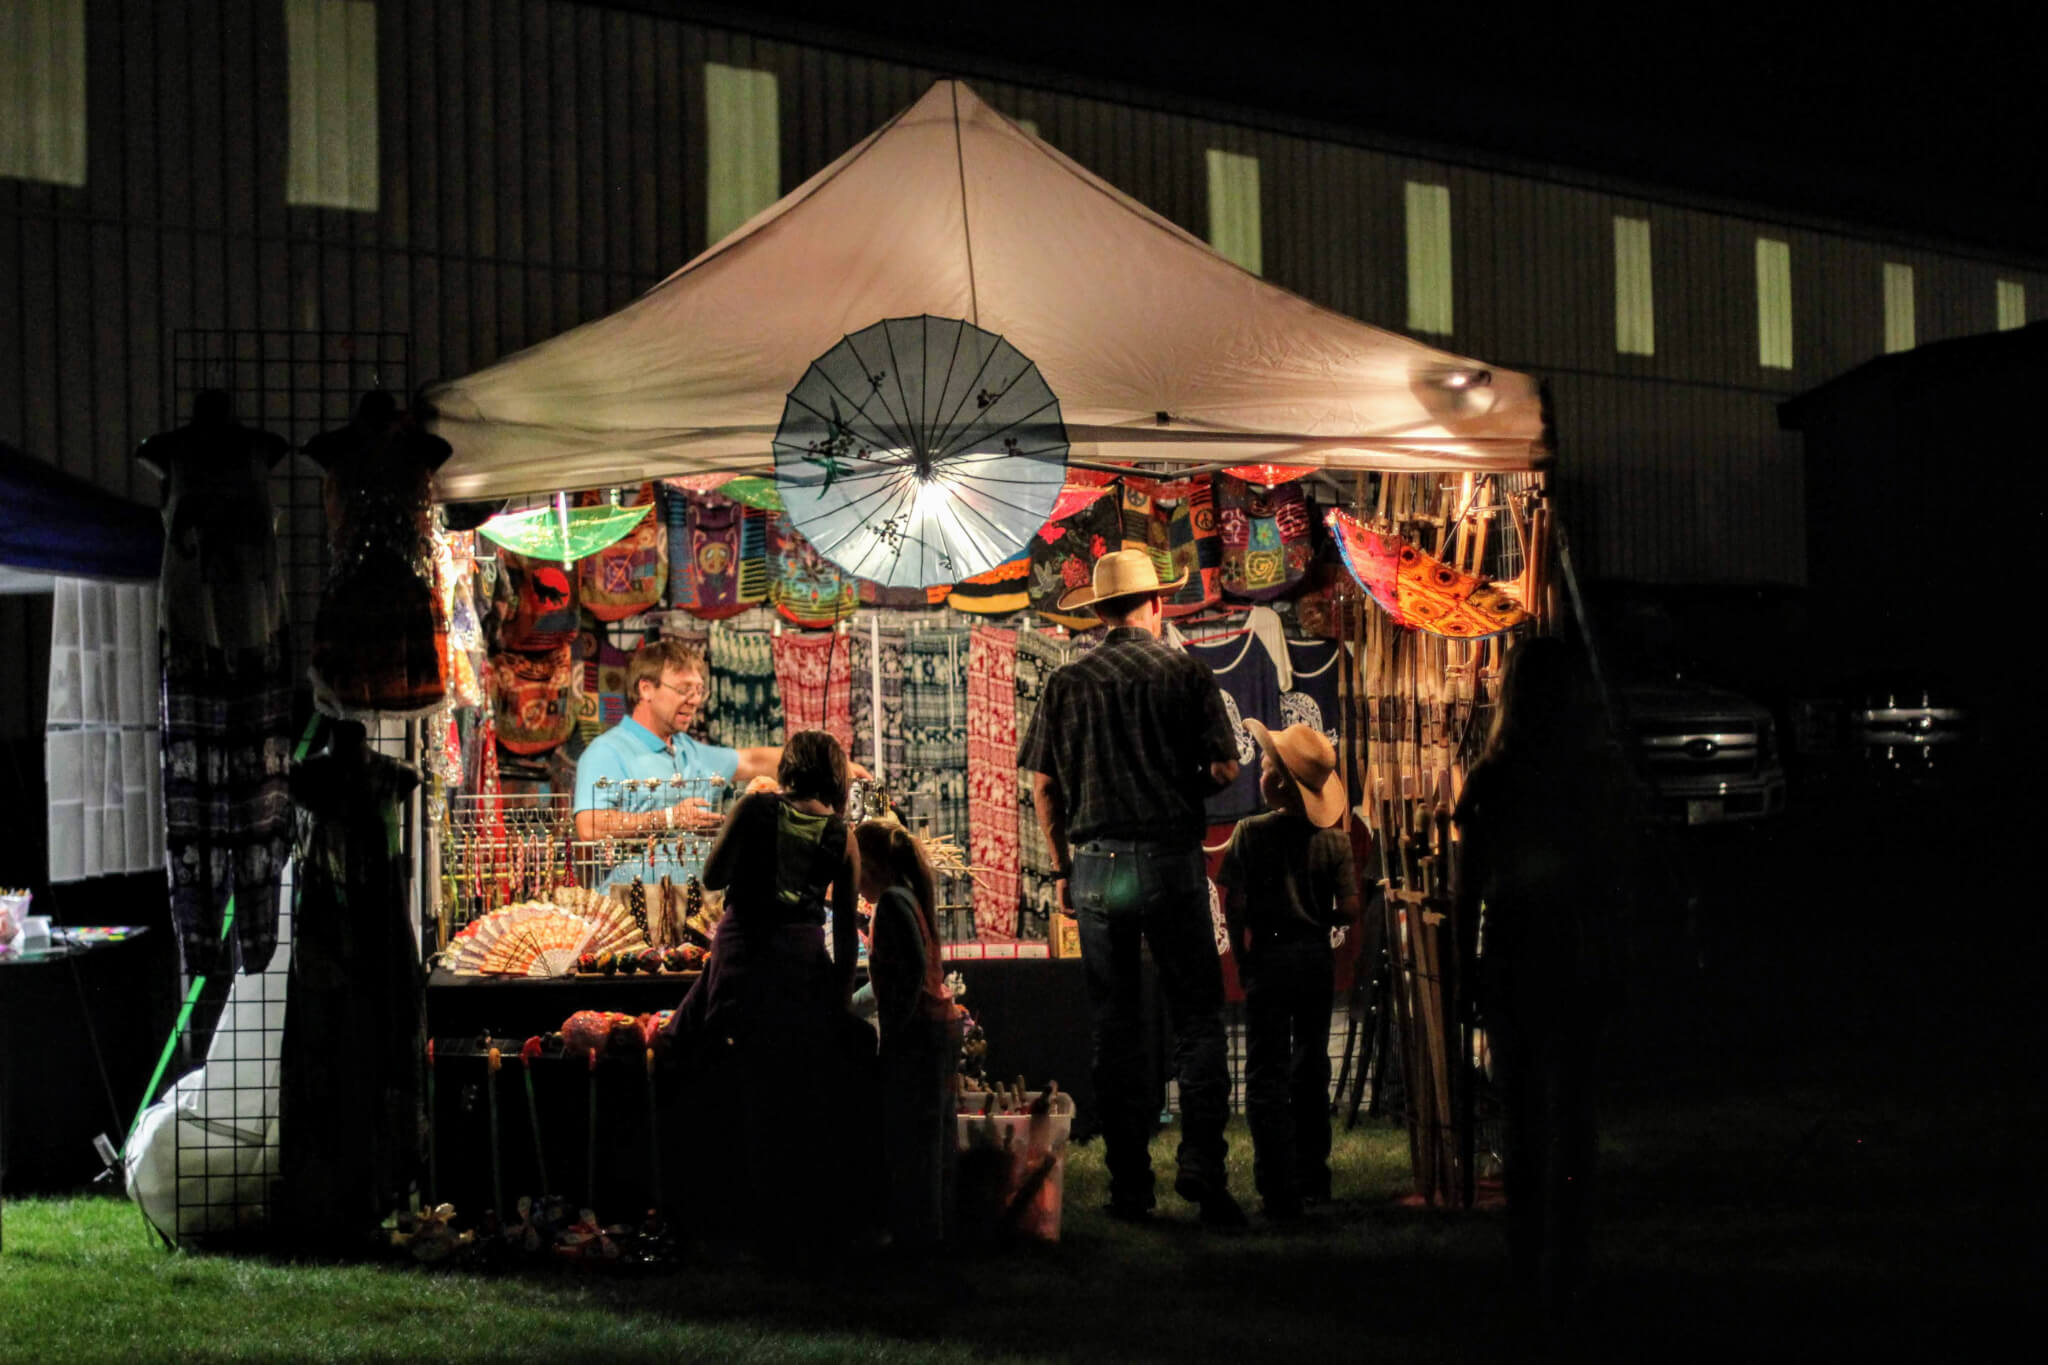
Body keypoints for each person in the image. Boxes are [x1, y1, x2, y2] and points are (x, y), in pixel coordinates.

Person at [1017, 550, 1246, 1228]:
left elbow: (1044, 784)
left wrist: (1061, 869)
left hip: (1095, 865)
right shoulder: (1183, 671)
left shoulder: (1067, 682)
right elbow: (1227, 764)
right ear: (1157, 604)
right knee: (1199, 1018)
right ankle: (1202, 1161)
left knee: (1114, 1026)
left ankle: (1128, 1185)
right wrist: (1181, 783)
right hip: (1172, 858)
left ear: (1097, 614)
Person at [1452, 635, 1636, 1316]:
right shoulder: (1592, 776)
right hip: (1574, 951)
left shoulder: (1496, 778)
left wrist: (1463, 973)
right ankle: (1568, 1256)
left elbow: (1467, 887)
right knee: (1574, 1113)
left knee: (1525, 1112)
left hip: (1516, 952)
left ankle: (1529, 1255)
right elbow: (1616, 877)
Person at [667, 730, 871, 1248]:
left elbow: (712, 878)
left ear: (789, 767)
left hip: (742, 956)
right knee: (791, 1090)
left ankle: (730, 1212)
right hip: (802, 961)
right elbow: (846, 928)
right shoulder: (840, 835)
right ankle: (797, 1219)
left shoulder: (753, 809)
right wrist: (840, 996)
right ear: (835, 776)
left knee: (734, 1078)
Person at [1214, 720, 1361, 1222]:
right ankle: (1312, 1174)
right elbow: (1350, 908)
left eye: (1267, 764)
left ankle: (1276, 1185)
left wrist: (1242, 953)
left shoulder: (1250, 834)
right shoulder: (1335, 844)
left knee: (1266, 1071)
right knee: (1311, 1063)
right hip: (1314, 958)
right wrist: (1321, 916)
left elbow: (1235, 904)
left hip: (1270, 959)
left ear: (1276, 782)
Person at [574, 640, 859, 886]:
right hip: (631, 908)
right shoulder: (608, 752)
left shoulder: (689, 750)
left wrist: (833, 763)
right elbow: (589, 826)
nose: (695, 700)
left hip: (695, 908)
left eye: (699, 691)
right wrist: (669, 819)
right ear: (646, 689)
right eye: (685, 690)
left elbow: (751, 760)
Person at [854, 818, 960, 1251]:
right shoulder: (903, 898)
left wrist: (895, 1027)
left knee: (915, 1139)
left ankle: (921, 1236)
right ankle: (932, 1228)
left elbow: (910, 971)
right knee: (929, 1134)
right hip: (931, 1028)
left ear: (872, 866)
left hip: (919, 1034)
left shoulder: (893, 904)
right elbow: (884, 981)